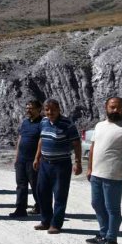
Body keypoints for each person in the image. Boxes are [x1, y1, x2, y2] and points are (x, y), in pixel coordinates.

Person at [86, 97, 122, 244]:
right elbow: (93, 148)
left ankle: (111, 239)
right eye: (112, 107)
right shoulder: (100, 126)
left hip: (114, 175)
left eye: (119, 108)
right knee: (96, 204)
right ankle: (103, 234)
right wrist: (90, 168)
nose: (115, 110)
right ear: (106, 107)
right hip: (97, 173)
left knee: (112, 208)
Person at [33, 99, 82, 233]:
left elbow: (76, 143)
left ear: (59, 109)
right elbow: (41, 140)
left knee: (60, 195)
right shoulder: (43, 122)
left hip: (61, 165)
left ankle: (56, 224)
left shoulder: (67, 124)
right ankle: (45, 221)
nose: (50, 112)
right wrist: (37, 158)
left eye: (53, 109)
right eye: (47, 110)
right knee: (42, 193)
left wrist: (78, 162)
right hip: (45, 164)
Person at [10, 99, 43, 217]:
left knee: (35, 185)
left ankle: (40, 207)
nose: (28, 110)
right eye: (27, 108)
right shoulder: (25, 122)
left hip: (33, 160)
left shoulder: (42, 123)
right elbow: (20, 139)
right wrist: (17, 156)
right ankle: (20, 209)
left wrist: (37, 158)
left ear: (39, 109)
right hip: (22, 160)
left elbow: (42, 141)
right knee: (21, 184)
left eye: (31, 108)